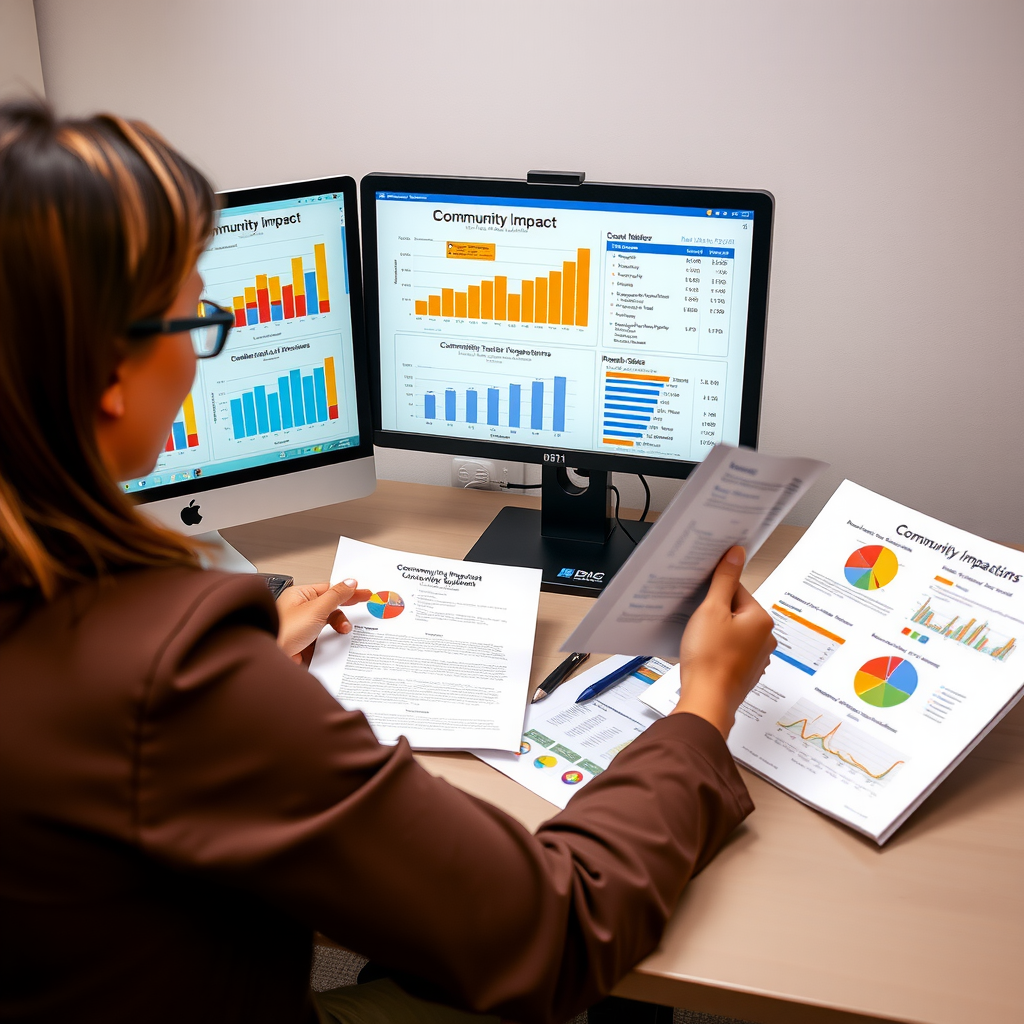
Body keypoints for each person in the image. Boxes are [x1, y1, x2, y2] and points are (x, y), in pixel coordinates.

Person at [0, 99, 776, 1024]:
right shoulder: (172, 680)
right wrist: (701, 712)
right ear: (116, 377)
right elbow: (557, 926)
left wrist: (244, 659)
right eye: (192, 317)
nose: (204, 349)